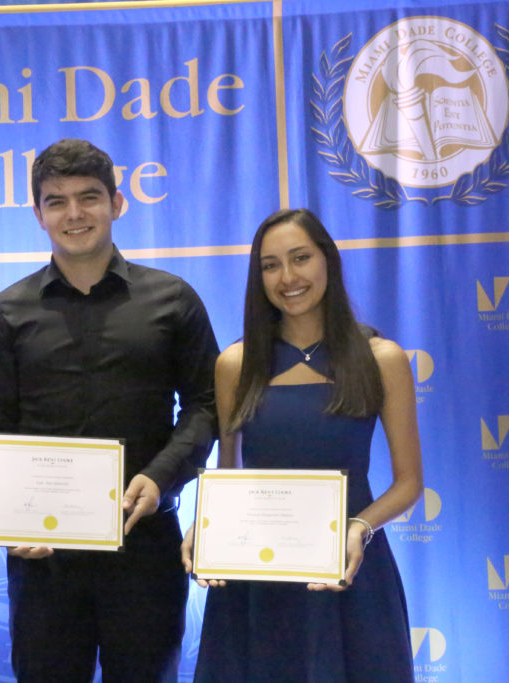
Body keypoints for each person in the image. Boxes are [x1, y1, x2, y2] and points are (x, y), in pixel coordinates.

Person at [0, 138, 219, 681]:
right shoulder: (6, 312)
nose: (74, 213)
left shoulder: (173, 299)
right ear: (38, 213)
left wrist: (162, 478)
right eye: (57, 201)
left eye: (89, 197)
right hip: (41, 551)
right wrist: (10, 519)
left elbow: (208, 405)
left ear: (117, 202)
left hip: (145, 540)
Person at [181, 208, 422, 682]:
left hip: (349, 572)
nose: (287, 277)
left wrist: (358, 528)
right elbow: (228, 475)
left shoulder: (382, 359)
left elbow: (409, 483)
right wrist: (206, 529)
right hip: (256, 577)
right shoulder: (235, 363)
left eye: (300, 258)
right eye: (270, 265)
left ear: (326, 261)